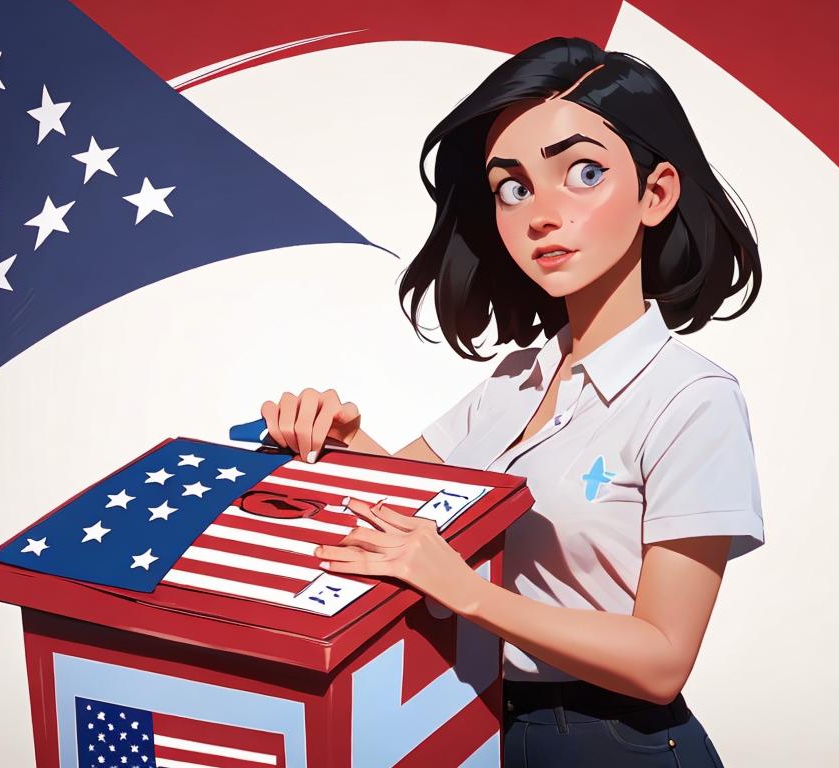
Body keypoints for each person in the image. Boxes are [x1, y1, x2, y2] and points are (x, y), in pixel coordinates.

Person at [260, 37, 764, 767]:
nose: (542, 214)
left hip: (613, 740)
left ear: (655, 194)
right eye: (514, 188)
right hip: (477, 725)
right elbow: (407, 510)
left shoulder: (691, 399)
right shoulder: (514, 380)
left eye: (584, 173)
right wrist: (340, 441)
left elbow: (662, 659)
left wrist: (466, 594)